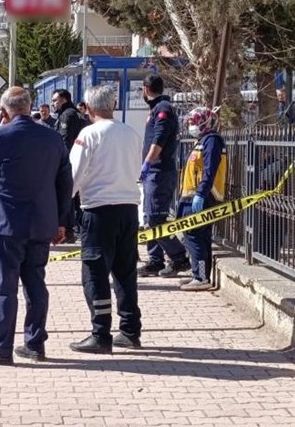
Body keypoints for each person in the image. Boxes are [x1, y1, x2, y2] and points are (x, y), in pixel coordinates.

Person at [0, 87, 73, 365]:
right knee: (36, 285)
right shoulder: (53, 138)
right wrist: (62, 221)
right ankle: (35, 344)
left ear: (5, 111)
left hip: (6, 226)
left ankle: (1, 348)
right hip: (42, 223)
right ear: (30, 107)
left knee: (4, 288)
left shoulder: (0, 135)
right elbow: (65, 182)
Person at [67, 85, 143, 353]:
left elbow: (73, 174)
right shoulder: (130, 133)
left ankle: (101, 333)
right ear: (113, 106)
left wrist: (62, 206)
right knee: (125, 272)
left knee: (95, 272)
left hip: (98, 210)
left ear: (87, 108)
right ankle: (130, 329)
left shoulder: (88, 134)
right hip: (128, 208)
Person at [138, 75, 189, 277]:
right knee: (150, 216)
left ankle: (178, 258)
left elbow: (160, 138)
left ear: (146, 90)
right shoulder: (157, 108)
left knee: (156, 218)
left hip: (159, 172)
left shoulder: (163, 109)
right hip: (155, 172)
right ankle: (155, 260)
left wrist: (148, 162)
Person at [175, 107, 227, 291]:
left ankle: (201, 276)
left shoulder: (212, 141)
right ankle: (201, 275)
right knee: (200, 236)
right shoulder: (202, 140)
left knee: (193, 235)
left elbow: (209, 170)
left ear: (205, 122)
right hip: (192, 197)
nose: (191, 126)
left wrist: (200, 193)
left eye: (193, 123)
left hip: (202, 197)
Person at [52, 89, 85, 243]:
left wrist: (59, 162)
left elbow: (64, 141)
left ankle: (70, 231)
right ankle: (76, 230)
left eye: (55, 100)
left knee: (68, 197)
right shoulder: (75, 113)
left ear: (64, 99)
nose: (54, 103)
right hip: (77, 161)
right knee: (76, 199)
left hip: (69, 163)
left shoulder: (67, 115)